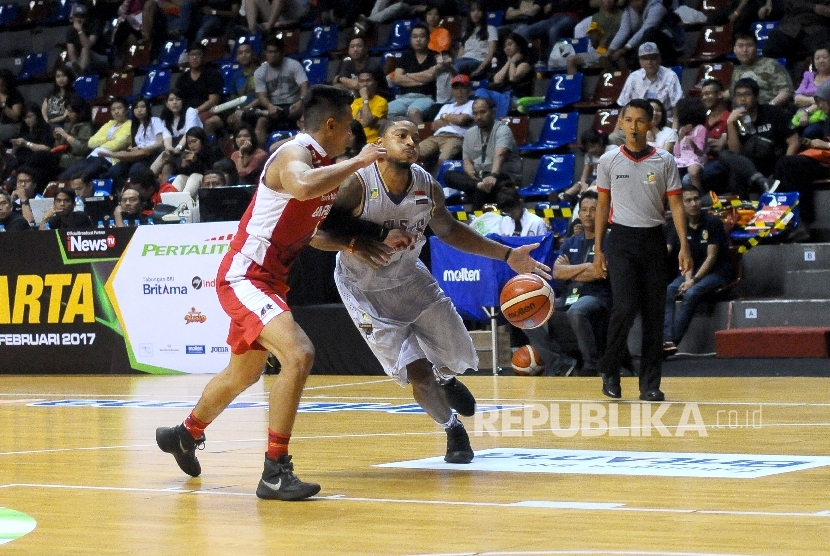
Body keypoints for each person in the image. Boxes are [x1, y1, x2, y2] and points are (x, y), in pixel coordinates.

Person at [155, 85, 390, 501]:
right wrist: (358, 161)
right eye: (350, 126)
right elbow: (300, 187)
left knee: (242, 374)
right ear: (332, 125)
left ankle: (184, 435)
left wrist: (353, 242)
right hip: (245, 277)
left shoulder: (326, 165)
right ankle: (275, 470)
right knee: (299, 353)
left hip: (270, 282)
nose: (355, 133)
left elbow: (311, 232)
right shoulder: (292, 155)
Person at [311, 117, 551, 464]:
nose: (411, 142)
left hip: (410, 278)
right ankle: (452, 428)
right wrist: (355, 243)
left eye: (415, 137)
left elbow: (450, 232)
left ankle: (446, 376)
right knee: (415, 369)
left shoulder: (427, 186)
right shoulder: (356, 185)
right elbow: (314, 233)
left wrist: (509, 254)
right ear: (380, 144)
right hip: (363, 289)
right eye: (401, 135)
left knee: (456, 352)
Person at [593, 98, 692, 402]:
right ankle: (610, 369)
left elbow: (675, 203)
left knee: (653, 315)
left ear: (650, 124)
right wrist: (598, 249)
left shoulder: (664, 160)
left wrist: (684, 245)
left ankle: (650, 384)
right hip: (621, 240)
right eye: (628, 120)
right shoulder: (608, 161)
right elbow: (601, 205)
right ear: (620, 123)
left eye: (640, 121)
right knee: (623, 309)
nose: (633, 127)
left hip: (653, 240)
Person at [525, 190, 612, 376]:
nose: (588, 214)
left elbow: (600, 272)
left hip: (597, 296)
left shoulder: (609, 240)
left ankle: (592, 365)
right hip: (569, 295)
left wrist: (573, 271)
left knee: (577, 311)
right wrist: (588, 266)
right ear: (579, 214)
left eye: (594, 210)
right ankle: (561, 363)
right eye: (584, 210)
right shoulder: (571, 241)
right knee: (527, 313)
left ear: (602, 212)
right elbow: (557, 272)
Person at [663, 185, 732, 354]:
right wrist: (687, 280)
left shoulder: (712, 222)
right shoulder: (679, 225)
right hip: (691, 272)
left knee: (692, 293)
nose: (694, 203)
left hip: (716, 272)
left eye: (696, 199)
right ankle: (664, 339)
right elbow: (685, 256)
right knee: (669, 291)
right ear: (681, 204)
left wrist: (692, 282)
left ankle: (672, 341)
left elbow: (711, 257)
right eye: (688, 200)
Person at [722, 77, 799, 197]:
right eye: (738, 95)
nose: (742, 99)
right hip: (750, 166)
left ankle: (762, 182)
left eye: (747, 94)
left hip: (773, 161)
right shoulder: (734, 119)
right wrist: (730, 123)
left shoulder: (774, 113)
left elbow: (794, 142)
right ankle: (760, 183)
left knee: (756, 143)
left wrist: (781, 169)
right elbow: (735, 152)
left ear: (757, 96)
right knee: (725, 155)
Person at [442, 97, 523, 210]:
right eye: (475, 113)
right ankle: (478, 185)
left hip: (503, 177)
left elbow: (500, 154)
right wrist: (471, 172)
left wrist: (493, 175)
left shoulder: (503, 129)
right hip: (480, 177)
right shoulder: (470, 133)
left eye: (483, 112)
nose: (479, 117)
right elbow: (467, 160)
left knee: (481, 189)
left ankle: (475, 220)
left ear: (493, 112)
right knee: (448, 175)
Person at [774, 80, 830, 237]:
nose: (820, 106)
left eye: (822, 102)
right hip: (824, 159)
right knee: (783, 164)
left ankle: (804, 222)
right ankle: (783, 218)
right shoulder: (828, 119)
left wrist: (825, 146)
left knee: (791, 165)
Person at [253, 35, 309, 145]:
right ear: (265, 53)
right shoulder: (259, 72)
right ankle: (261, 154)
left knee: (307, 116)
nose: (273, 55)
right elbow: (262, 96)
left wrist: (301, 101)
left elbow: (304, 85)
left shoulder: (293, 65)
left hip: (294, 104)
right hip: (274, 107)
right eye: (270, 52)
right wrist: (270, 106)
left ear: (282, 52)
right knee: (261, 122)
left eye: (276, 52)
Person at [387, 23, 447, 124]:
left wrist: (407, 75)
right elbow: (397, 79)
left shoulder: (435, 56)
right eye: (415, 37)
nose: (418, 39)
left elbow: (430, 76)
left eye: (422, 36)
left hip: (426, 97)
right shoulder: (406, 57)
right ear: (411, 39)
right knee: (384, 111)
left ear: (428, 39)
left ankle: (422, 136)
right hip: (404, 97)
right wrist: (420, 81)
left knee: (413, 112)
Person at [418, 74, 474, 174]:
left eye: (463, 88)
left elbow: (462, 120)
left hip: (456, 137)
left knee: (443, 159)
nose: (459, 92)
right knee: (413, 153)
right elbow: (434, 126)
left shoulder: (473, 104)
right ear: (452, 91)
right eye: (456, 88)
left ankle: (434, 184)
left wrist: (445, 117)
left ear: (469, 89)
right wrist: (454, 119)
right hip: (437, 136)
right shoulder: (446, 107)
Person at [616, 42, 683, 123]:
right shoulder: (633, 77)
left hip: (664, 123)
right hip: (638, 124)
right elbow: (624, 106)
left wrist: (674, 130)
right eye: (645, 58)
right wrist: (616, 131)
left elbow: (677, 106)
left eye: (653, 58)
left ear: (659, 58)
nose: (649, 62)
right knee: (614, 136)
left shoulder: (670, 76)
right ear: (640, 61)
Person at [606, 0, 684, 70]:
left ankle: (630, 66)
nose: (636, 3)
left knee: (649, 33)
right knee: (611, 40)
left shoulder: (657, 6)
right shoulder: (629, 11)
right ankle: (616, 66)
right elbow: (623, 31)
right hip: (642, 44)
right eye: (633, 1)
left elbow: (645, 29)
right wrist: (611, 50)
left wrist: (624, 50)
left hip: (667, 45)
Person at [476, 32, 534, 119]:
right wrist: (509, 62)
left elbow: (513, 77)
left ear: (518, 45)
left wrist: (513, 61)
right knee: (480, 92)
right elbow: (497, 80)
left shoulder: (525, 62)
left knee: (483, 95)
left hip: (516, 96)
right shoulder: (503, 61)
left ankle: (495, 121)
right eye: (505, 46)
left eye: (510, 44)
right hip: (501, 94)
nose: (507, 48)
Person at [730, 33, 793, 107]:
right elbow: (730, 94)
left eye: (749, 46)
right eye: (740, 46)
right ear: (734, 49)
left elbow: (786, 91)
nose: (745, 50)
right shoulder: (735, 70)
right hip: (741, 114)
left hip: (769, 111)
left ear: (756, 48)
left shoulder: (771, 64)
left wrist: (769, 107)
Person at [174, 43, 225, 136]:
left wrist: (195, 112)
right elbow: (177, 99)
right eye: (192, 55)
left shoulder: (213, 74)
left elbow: (213, 101)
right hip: (188, 113)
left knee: (207, 123)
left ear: (204, 56)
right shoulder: (183, 78)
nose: (195, 57)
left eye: (198, 54)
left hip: (210, 111)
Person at [333, 36, 389, 101]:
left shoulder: (372, 66)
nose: (355, 49)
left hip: (378, 98)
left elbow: (363, 87)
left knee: (352, 92)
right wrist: (341, 80)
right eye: (352, 47)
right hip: (361, 96)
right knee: (337, 87)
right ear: (348, 50)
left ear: (365, 49)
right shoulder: (348, 63)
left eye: (359, 46)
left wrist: (340, 79)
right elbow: (336, 81)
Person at [793, 45, 830, 138]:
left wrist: (806, 111)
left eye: (825, 57)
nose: (821, 60)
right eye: (817, 58)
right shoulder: (808, 76)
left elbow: (825, 103)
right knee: (790, 131)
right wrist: (816, 100)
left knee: (809, 132)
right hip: (800, 115)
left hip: (823, 116)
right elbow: (797, 98)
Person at [454, 1, 498, 78]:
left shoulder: (491, 29)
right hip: (462, 62)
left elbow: (491, 54)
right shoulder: (466, 33)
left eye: (479, 10)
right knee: (443, 70)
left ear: (483, 13)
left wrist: (480, 68)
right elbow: (459, 55)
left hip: (478, 61)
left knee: (453, 69)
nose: (475, 13)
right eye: (472, 11)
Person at [673, 97, 708, 192]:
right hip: (683, 159)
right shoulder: (682, 130)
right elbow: (677, 153)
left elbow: (700, 151)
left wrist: (693, 144)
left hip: (696, 159)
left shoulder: (700, 129)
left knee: (692, 172)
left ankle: (698, 194)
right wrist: (680, 137)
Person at [64, 4, 109, 75]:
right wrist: (74, 62)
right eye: (77, 16)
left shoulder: (94, 25)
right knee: (67, 66)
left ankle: (80, 73)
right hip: (83, 60)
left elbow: (87, 46)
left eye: (82, 16)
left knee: (84, 50)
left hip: (100, 58)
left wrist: (80, 30)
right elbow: (71, 52)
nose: (79, 19)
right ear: (73, 17)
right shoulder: (70, 31)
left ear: (87, 17)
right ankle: (79, 73)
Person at [350, 70, 388, 144]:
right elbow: (350, 124)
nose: (365, 84)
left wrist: (365, 99)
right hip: (356, 144)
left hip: (373, 143)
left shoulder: (381, 101)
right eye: (361, 81)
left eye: (368, 80)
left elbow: (367, 121)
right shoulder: (354, 102)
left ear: (375, 83)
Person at [0, 69, 24, 148]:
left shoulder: (15, 95)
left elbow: (16, 117)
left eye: (2, 85)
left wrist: (3, 105)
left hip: (12, 125)